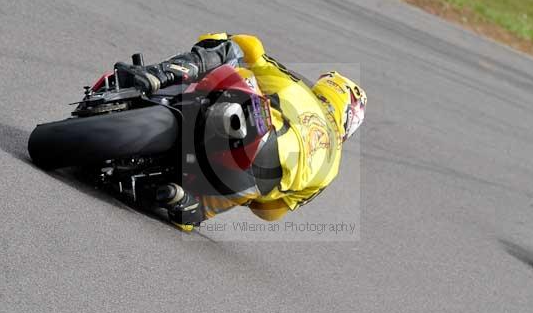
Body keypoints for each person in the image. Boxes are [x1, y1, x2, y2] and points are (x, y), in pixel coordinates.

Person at [120, 33, 367, 231]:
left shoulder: (298, 88)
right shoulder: (331, 168)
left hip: (250, 127)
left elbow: (251, 47)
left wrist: (219, 38)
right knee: (229, 199)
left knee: (231, 50)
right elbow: (270, 213)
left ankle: (162, 74)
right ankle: (183, 201)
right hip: (248, 181)